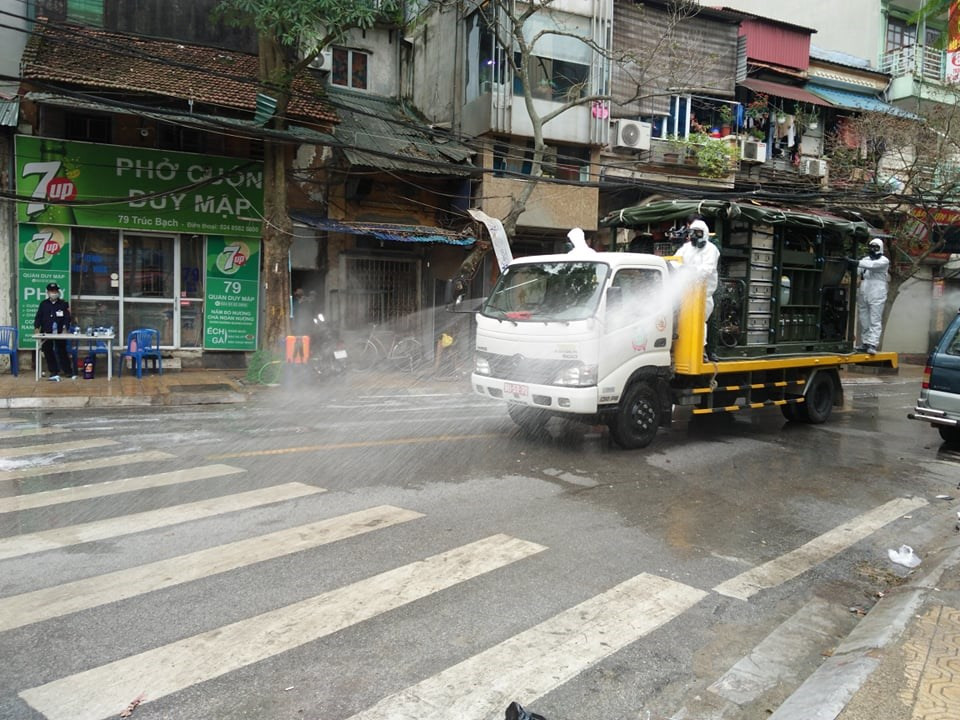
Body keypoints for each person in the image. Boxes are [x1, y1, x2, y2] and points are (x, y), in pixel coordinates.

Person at [676, 219, 720, 362]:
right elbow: (675, 261)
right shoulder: (686, 248)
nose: (695, 236)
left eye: (698, 233)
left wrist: (689, 271)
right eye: (692, 232)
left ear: (705, 234)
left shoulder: (711, 249)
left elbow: (707, 270)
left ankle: (702, 352)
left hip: (704, 294)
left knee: (700, 321)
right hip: (686, 292)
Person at [852, 238, 889, 355]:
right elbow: (859, 270)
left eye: (876, 247)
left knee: (875, 319)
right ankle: (865, 343)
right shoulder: (865, 259)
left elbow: (872, 265)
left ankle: (872, 344)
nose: (873, 249)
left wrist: (856, 262)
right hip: (864, 290)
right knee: (864, 319)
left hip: (877, 292)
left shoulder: (884, 261)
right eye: (871, 247)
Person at [33, 282, 75, 381]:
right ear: (48, 292)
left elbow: (67, 317)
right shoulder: (43, 304)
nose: (54, 293)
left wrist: (65, 328)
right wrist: (36, 327)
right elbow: (38, 317)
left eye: (56, 291)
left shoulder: (63, 304)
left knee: (62, 351)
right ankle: (54, 370)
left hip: (60, 332)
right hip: (47, 331)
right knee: (48, 351)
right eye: (52, 291)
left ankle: (67, 371)